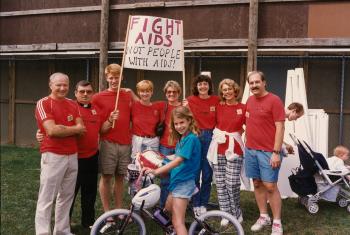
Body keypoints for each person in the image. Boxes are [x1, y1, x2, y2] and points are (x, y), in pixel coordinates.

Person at [34, 72, 86, 235]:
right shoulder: (44, 103)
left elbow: (81, 128)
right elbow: (52, 130)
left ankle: (62, 231)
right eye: (58, 85)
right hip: (53, 155)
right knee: (47, 198)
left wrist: (64, 129)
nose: (63, 88)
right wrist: (72, 129)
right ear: (51, 85)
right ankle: (43, 232)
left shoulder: (72, 104)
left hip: (72, 155)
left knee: (66, 196)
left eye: (65, 85)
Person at [142, 106, 201, 235]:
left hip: (184, 183)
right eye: (176, 123)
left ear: (189, 121)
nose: (179, 126)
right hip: (177, 182)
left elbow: (178, 160)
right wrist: (159, 158)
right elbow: (176, 157)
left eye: (182, 122)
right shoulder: (182, 138)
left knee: (177, 222)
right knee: (166, 211)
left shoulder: (191, 139)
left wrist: (156, 172)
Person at [244, 71, 285, 235]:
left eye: (257, 82)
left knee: (270, 186)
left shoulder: (274, 100)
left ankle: (276, 222)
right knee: (257, 183)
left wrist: (276, 152)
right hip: (251, 149)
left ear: (264, 82)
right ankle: (263, 216)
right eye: (251, 83)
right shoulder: (249, 100)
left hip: (269, 151)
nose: (254, 85)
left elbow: (280, 127)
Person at [91, 63, 133, 212]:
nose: (114, 81)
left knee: (120, 177)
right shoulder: (97, 98)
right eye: (111, 78)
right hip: (108, 142)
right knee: (107, 176)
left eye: (117, 77)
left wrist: (133, 93)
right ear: (106, 78)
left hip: (126, 143)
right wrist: (109, 120)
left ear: (122, 78)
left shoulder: (128, 95)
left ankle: (119, 209)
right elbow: (99, 129)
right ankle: (107, 211)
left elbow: (141, 110)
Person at [207, 79, 246, 225]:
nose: (227, 92)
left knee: (232, 183)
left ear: (235, 90)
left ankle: (236, 212)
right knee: (221, 183)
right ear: (221, 92)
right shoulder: (218, 106)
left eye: (230, 89)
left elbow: (252, 125)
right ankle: (225, 213)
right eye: (224, 90)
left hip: (235, 149)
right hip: (219, 148)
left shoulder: (243, 107)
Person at [185, 74, 220, 216]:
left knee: (207, 173)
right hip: (195, 136)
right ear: (196, 86)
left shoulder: (216, 100)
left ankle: (204, 203)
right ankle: (195, 202)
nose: (203, 86)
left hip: (211, 137)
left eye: (205, 84)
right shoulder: (189, 100)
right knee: (194, 172)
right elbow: (185, 118)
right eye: (200, 84)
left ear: (209, 86)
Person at [158, 80, 183, 208]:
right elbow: (144, 102)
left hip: (180, 147)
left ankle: (177, 205)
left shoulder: (184, 107)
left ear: (179, 93)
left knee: (179, 178)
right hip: (165, 146)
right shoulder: (162, 106)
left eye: (174, 92)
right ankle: (163, 206)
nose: (171, 94)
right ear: (165, 93)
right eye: (169, 92)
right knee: (165, 179)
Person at [131, 80, 162, 159]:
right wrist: (130, 91)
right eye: (142, 91)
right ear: (138, 92)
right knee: (137, 166)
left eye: (147, 91)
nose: (145, 94)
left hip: (153, 142)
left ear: (152, 92)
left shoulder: (157, 107)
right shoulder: (133, 106)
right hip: (138, 140)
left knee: (152, 166)